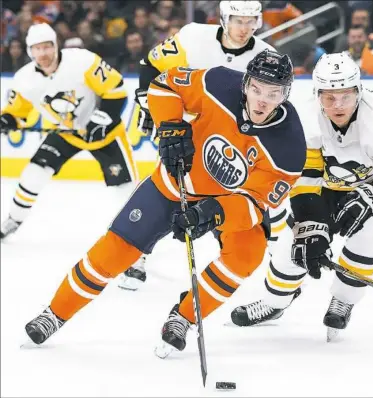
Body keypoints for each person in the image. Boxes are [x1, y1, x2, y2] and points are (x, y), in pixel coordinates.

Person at [23, 50, 307, 357]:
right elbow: (164, 84)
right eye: (256, 89)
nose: (262, 100)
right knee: (115, 251)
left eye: (273, 93)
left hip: (226, 202)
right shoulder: (217, 82)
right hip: (174, 184)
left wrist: (213, 213)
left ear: (286, 93)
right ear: (245, 83)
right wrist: (170, 126)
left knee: (247, 254)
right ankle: (54, 313)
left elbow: (254, 205)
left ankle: (183, 318)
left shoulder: (289, 147)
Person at [230, 52, 373, 341]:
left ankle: (345, 298)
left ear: (359, 91)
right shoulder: (304, 121)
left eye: (345, 96)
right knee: (295, 243)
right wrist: (312, 226)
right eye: (329, 97)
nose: (337, 105)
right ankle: (275, 303)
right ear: (317, 95)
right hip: (327, 189)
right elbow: (306, 178)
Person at [119, 0, 281, 291]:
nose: (244, 28)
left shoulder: (267, 56)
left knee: (229, 202)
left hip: (230, 141)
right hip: (185, 132)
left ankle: (244, 258)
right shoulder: (193, 36)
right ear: (222, 18)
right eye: (237, 20)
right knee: (167, 191)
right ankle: (137, 256)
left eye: (250, 21)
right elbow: (151, 64)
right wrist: (148, 104)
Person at [0, 23, 138, 240]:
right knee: (34, 173)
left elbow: (117, 90)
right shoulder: (24, 79)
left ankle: (134, 238)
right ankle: (13, 220)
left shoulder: (82, 61)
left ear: (56, 45)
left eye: (47, 46)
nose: (43, 53)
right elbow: (17, 110)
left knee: (125, 188)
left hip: (106, 134)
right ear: (30, 51)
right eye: (37, 48)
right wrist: (7, 120)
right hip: (65, 133)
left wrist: (100, 120)